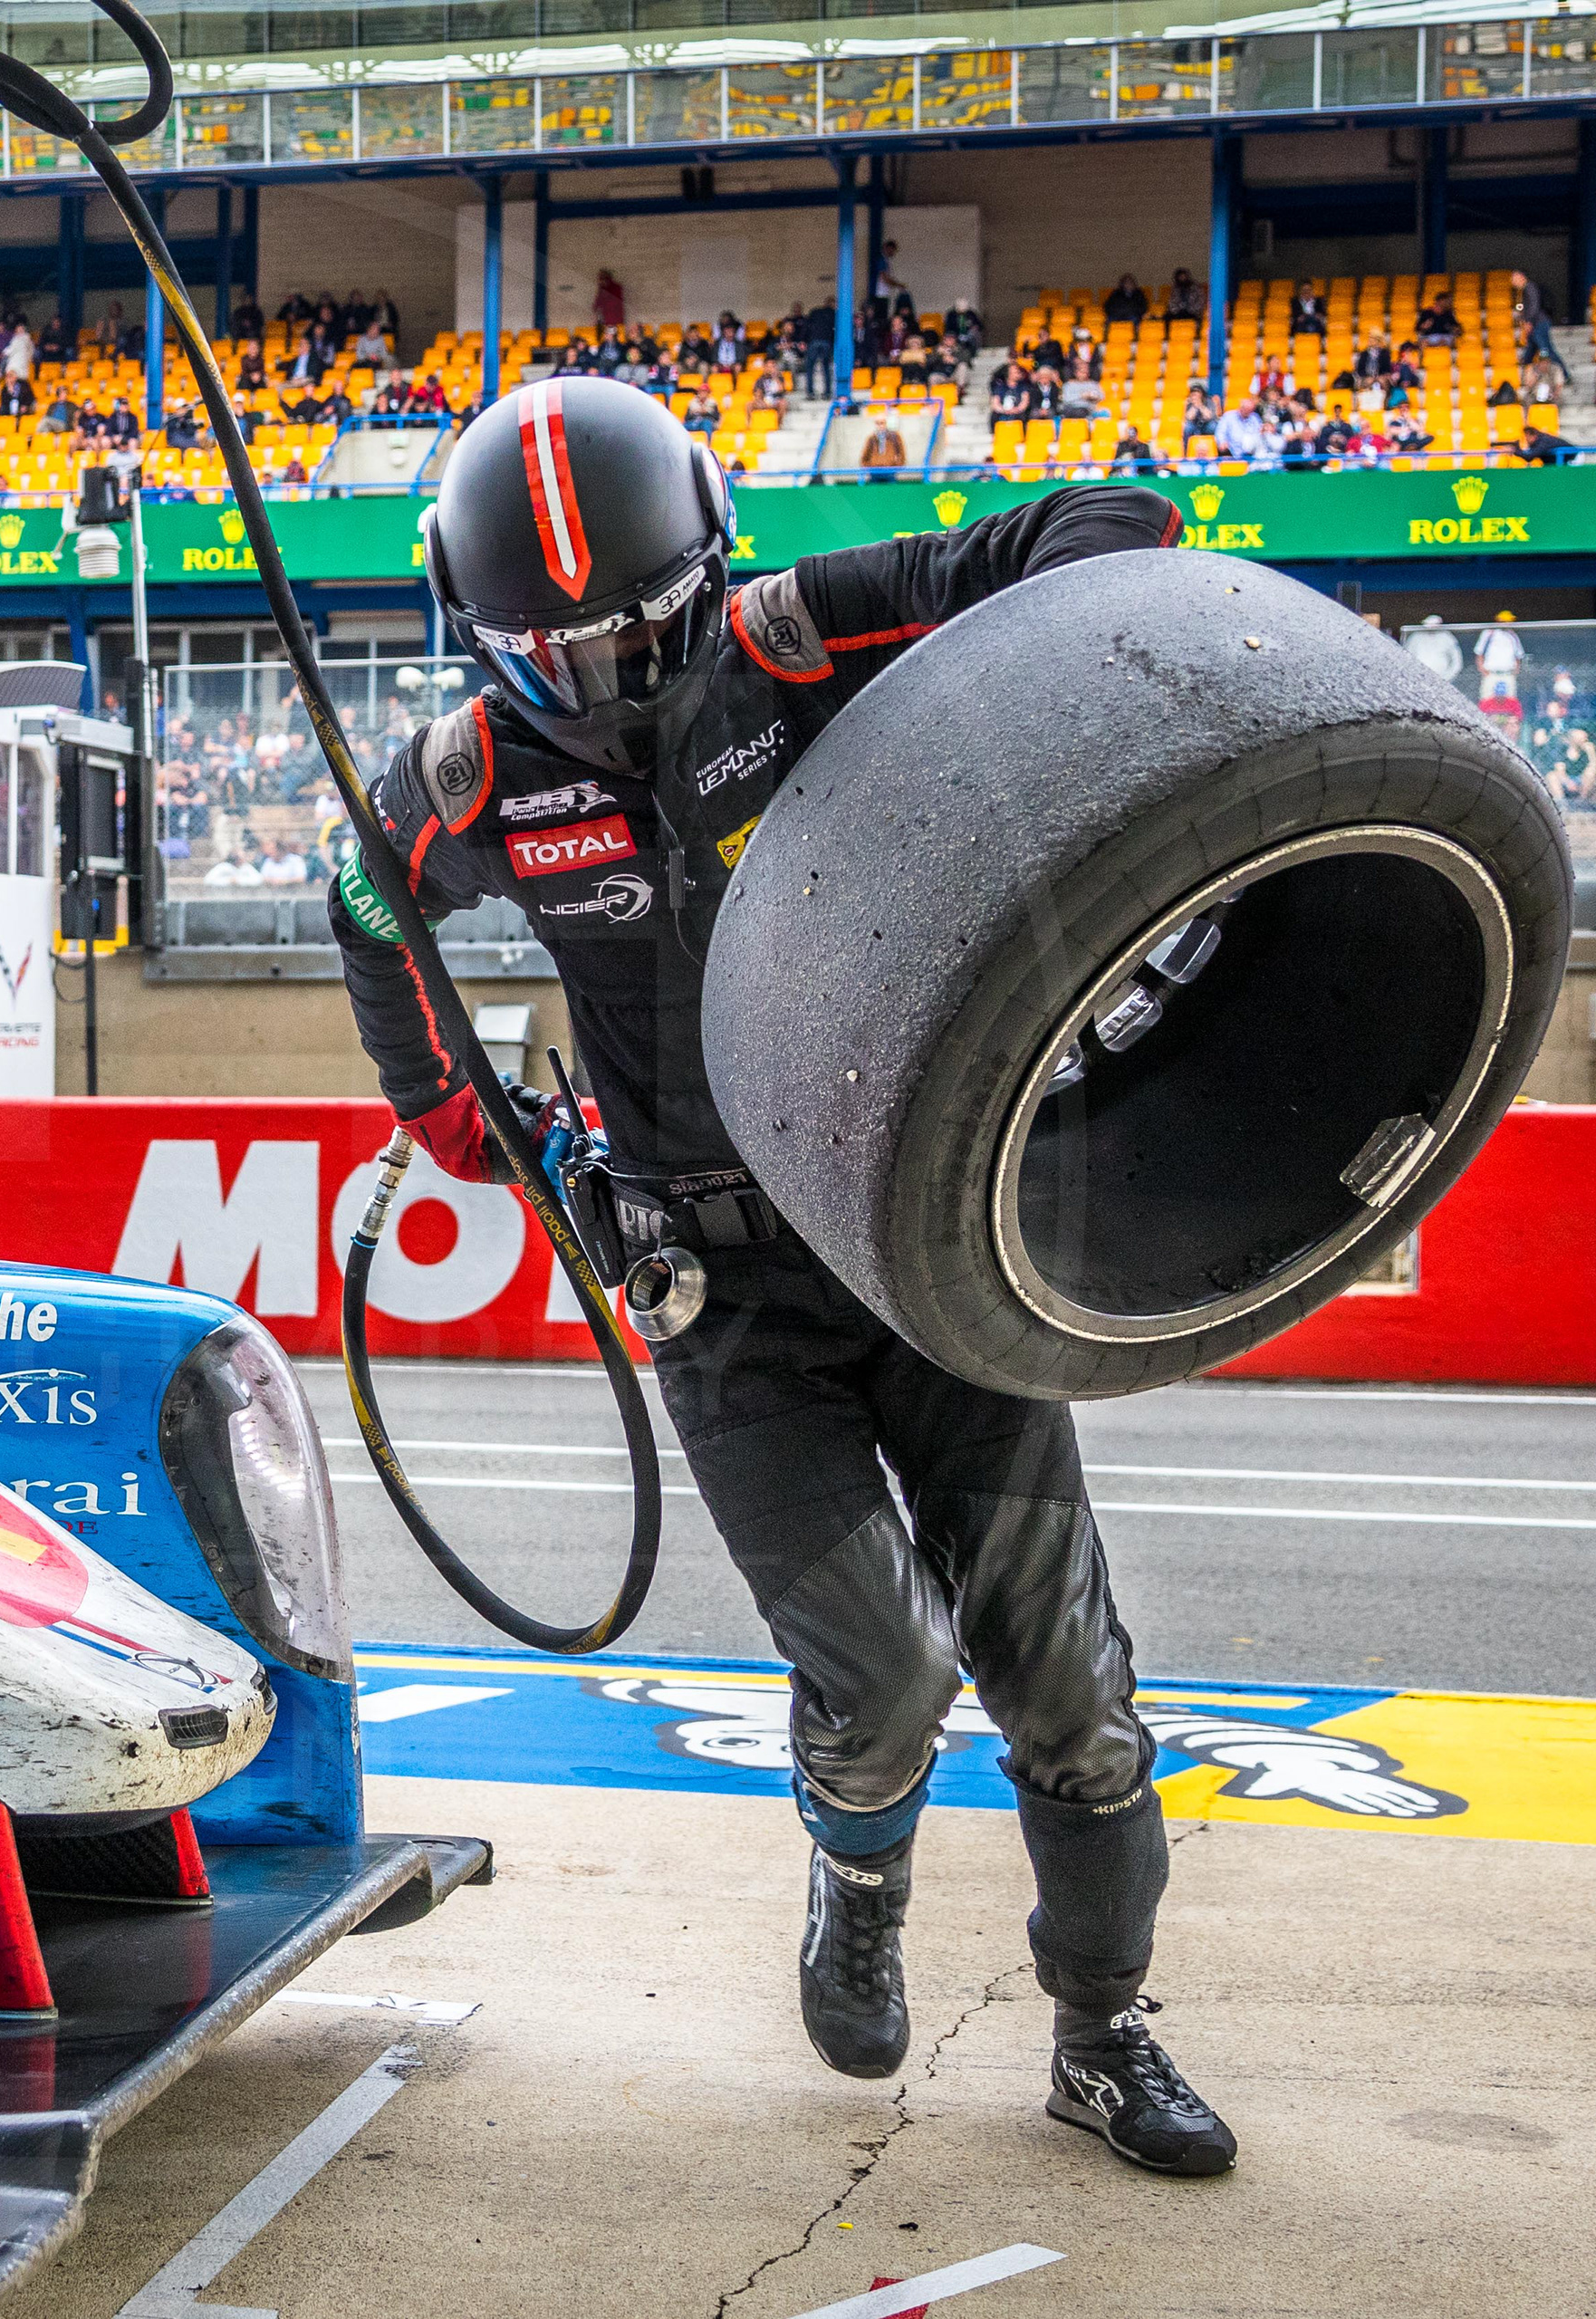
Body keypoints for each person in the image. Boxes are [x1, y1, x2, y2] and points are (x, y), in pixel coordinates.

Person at [335, 378, 1228, 2178]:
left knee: (1067, 1680)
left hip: (915, 1242)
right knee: (885, 1675)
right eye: (544, 647)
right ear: (466, 624)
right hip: (712, 1294)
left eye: (631, 635)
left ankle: (1104, 2031)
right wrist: (474, 1124)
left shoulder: (805, 629)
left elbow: (1114, 528)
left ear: (710, 570)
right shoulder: (463, 781)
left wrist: (1025, 704)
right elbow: (368, 901)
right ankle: (856, 1865)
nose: (591, 677)